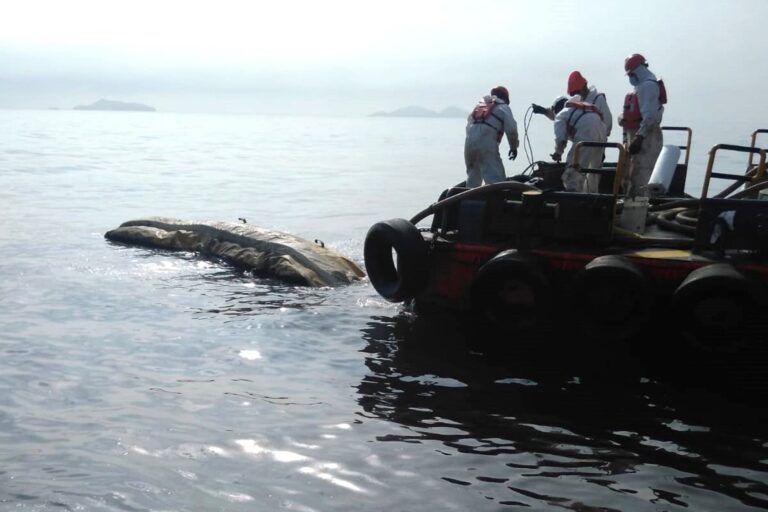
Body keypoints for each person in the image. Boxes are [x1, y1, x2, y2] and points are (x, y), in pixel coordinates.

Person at [619, 53, 666, 196]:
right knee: (631, 175)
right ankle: (633, 207)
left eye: (631, 74)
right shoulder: (641, 87)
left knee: (642, 176)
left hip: (647, 137)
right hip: (637, 134)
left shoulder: (648, 86)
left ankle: (641, 211)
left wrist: (639, 138)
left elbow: (650, 117)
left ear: (638, 71)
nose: (630, 78)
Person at [464, 86, 520, 188]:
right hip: (486, 143)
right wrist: (514, 147)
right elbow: (511, 129)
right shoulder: (504, 107)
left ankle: (468, 200)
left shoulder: (478, 107)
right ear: (505, 99)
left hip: (469, 144)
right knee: (496, 180)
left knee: (473, 178)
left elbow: (468, 127)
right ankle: (496, 202)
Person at [549, 96, 607, 192]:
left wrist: (558, 153)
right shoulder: (576, 109)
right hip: (602, 130)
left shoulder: (560, 116)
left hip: (586, 133)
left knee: (572, 171)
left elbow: (560, 139)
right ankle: (592, 197)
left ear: (556, 109)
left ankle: (573, 198)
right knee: (594, 171)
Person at [532, 71, 612, 138]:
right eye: (573, 93)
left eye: (576, 92)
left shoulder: (598, 100)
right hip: (580, 142)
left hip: (595, 143)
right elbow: (563, 116)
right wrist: (544, 111)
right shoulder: (577, 101)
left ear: (584, 86)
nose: (575, 95)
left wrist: (599, 138)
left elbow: (608, 124)